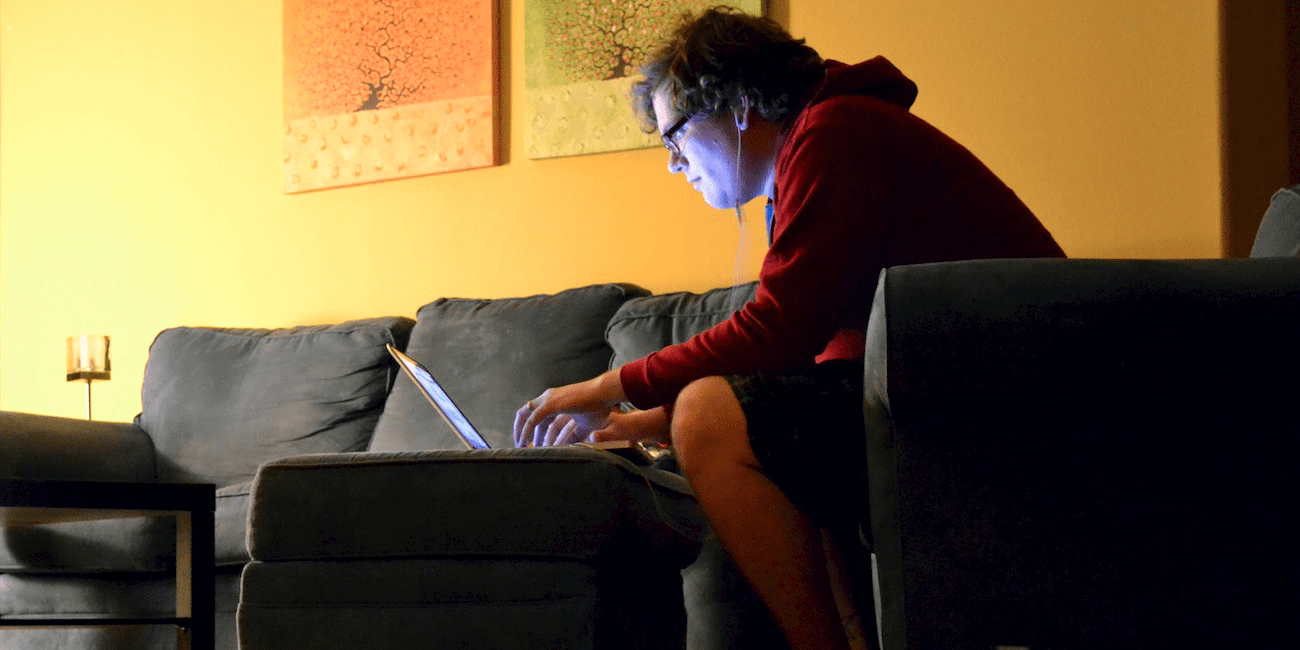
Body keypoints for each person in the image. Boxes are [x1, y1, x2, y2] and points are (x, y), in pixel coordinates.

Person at [514, 7, 1065, 650]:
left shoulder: (835, 132)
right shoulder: (824, 138)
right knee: (760, 427)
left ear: (739, 104)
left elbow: (779, 330)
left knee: (710, 414)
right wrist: (640, 423)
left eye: (675, 137)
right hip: (954, 388)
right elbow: (811, 362)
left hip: (1008, 402)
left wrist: (608, 386)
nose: (673, 163)